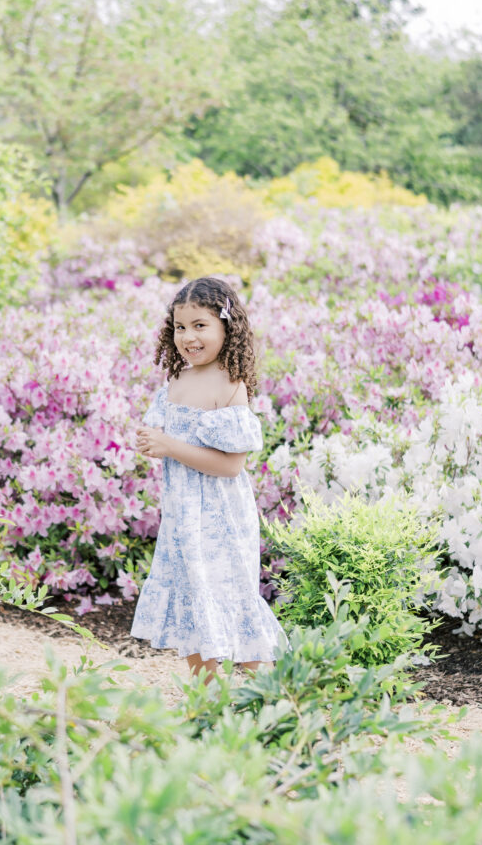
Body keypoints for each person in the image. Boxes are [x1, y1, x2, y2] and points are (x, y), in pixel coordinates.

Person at [131, 276, 286, 681]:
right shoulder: (177, 382)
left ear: (226, 328)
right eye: (181, 327)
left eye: (200, 326)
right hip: (183, 518)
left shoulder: (229, 385)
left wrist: (168, 445)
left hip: (221, 521)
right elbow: (167, 439)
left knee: (232, 600)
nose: (188, 337)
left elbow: (231, 465)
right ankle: (206, 700)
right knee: (193, 605)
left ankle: (261, 698)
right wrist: (152, 442)